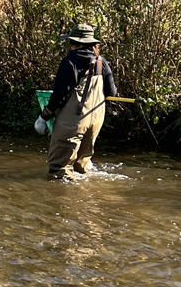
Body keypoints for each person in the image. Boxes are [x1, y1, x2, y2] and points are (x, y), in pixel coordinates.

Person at [35, 23, 118, 180]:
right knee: (81, 167)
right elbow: (112, 92)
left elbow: (60, 96)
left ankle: (63, 202)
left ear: (73, 42)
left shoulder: (69, 62)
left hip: (73, 120)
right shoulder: (101, 62)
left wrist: (44, 116)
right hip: (96, 120)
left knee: (59, 170)